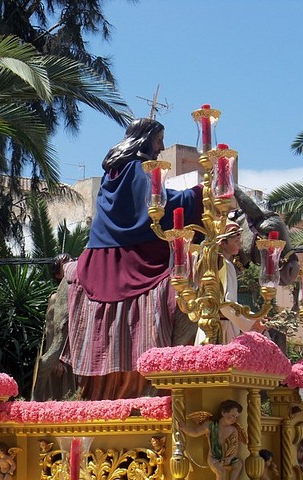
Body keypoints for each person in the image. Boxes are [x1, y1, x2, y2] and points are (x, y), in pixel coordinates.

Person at [61, 118, 203, 400]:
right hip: (131, 255)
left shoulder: (113, 172)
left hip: (101, 252)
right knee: (179, 282)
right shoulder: (139, 169)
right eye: (159, 140)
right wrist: (198, 195)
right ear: (145, 139)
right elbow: (159, 206)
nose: (161, 146)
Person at [194, 221, 266, 345]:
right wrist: (252, 321)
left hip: (205, 327)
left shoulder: (207, 263)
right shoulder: (226, 265)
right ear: (223, 243)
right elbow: (227, 304)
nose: (240, 244)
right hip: (222, 329)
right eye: (236, 241)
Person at [32, 253, 76, 401]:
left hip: (74, 353)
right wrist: (55, 360)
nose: (71, 263)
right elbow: (51, 329)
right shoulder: (55, 298)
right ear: (58, 274)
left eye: (72, 260)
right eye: (66, 263)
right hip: (60, 356)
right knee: (59, 394)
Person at [179, 399, 247, 480]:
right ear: (223, 413)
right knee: (220, 471)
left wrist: (230, 458)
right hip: (214, 457)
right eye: (233, 415)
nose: (234, 419)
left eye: (236, 417)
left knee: (238, 464)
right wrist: (184, 428)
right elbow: (196, 432)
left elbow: (234, 446)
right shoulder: (211, 425)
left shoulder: (233, 429)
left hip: (228, 457)